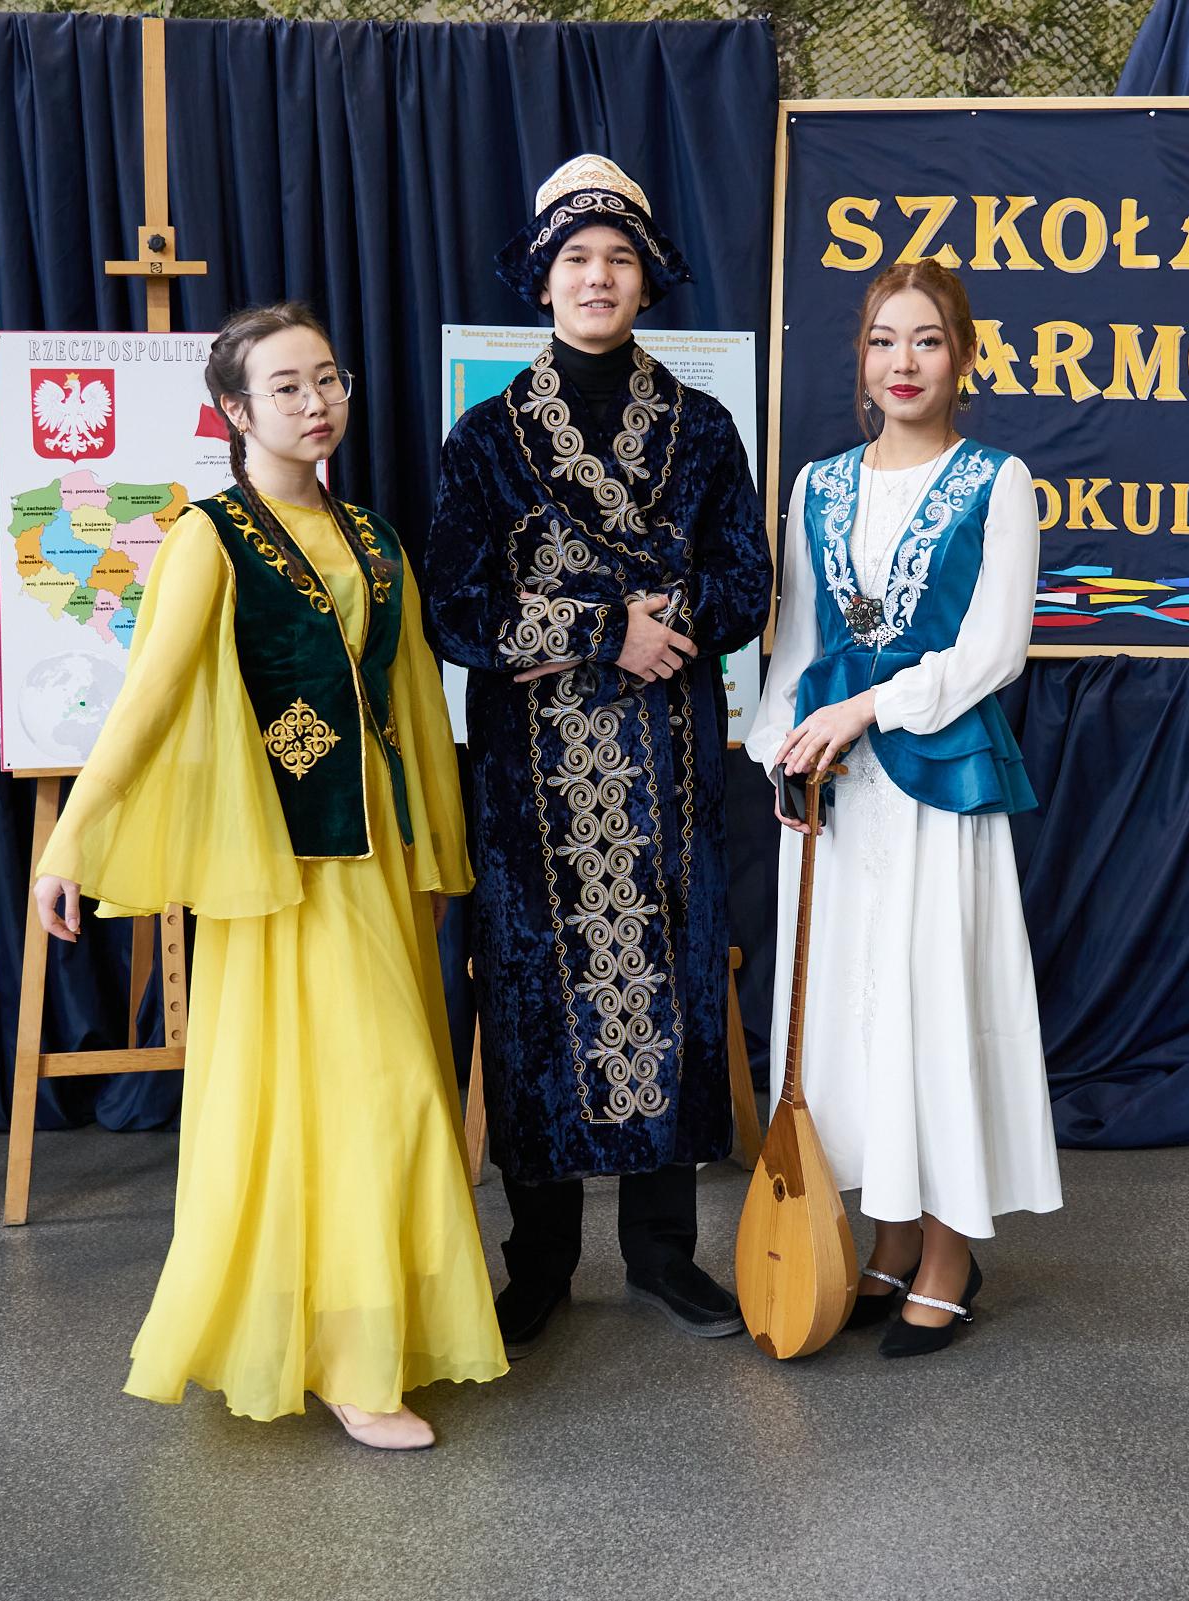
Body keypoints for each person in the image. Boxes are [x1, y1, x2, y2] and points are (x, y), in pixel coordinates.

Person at [31, 303, 502, 1450]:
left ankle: (361, 1331)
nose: (316, 401)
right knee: (359, 1093)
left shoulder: (375, 537)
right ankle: (347, 1359)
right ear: (236, 411)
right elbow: (148, 698)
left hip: (376, 858)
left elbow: (410, 702)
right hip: (285, 865)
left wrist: (436, 844)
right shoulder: (213, 535)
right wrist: (70, 838)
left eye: (328, 378)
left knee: (378, 1095)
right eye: (286, 386)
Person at [422, 156, 773, 1355]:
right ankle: (541, 1262)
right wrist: (598, 629)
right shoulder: (486, 439)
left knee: (670, 989)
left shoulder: (703, 428)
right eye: (576, 258)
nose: (597, 277)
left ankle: (666, 1254)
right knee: (532, 1000)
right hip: (529, 784)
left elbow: (744, 583)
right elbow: (456, 607)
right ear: (542, 278)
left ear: (646, 278)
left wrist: (656, 624)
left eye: (618, 257)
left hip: (669, 766)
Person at [744, 260, 1061, 1359]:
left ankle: (949, 1246)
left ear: (963, 357)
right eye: (885, 340)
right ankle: (885, 1225)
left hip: (936, 778)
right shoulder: (818, 485)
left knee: (930, 1001)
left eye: (928, 340)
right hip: (836, 787)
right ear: (862, 357)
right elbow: (796, 644)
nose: (904, 362)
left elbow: (994, 650)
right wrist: (782, 754)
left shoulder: (999, 480)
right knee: (848, 1008)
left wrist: (869, 708)